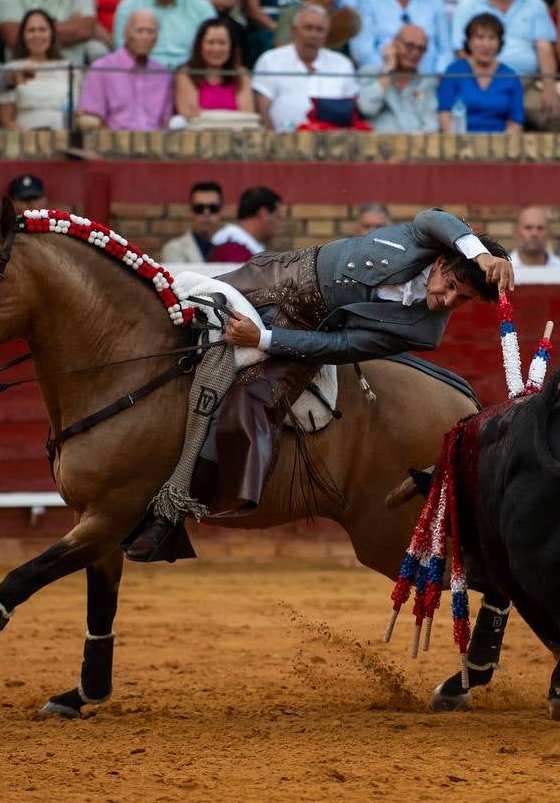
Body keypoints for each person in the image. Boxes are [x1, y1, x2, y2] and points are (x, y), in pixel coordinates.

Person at [124, 206, 515, 561]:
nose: (447, 301)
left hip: (303, 337)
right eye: (449, 286)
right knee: (173, 322)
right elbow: (438, 218)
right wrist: (481, 256)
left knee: (250, 404)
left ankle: (169, 514)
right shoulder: (420, 238)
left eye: (460, 300)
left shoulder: (424, 331)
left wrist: (261, 340)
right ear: (441, 262)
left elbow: (341, 345)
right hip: (274, 277)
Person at [451, 0, 560, 131]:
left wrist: (549, 89)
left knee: (555, 116)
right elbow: (460, 51)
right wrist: (480, 84)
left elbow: (545, 49)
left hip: (525, 83)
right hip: (481, 80)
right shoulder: (467, 5)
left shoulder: (535, 4)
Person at [252, 4, 357, 131]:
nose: (313, 34)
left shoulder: (342, 64)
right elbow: (262, 111)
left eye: (319, 30)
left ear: (326, 34)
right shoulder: (270, 60)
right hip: (281, 142)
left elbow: (350, 111)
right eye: (308, 28)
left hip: (331, 144)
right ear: (293, 30)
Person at [79, 9, 174, 129]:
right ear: (125, 33)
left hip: (155, 143)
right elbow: (92, 116)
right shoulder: (101, 69)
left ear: (157, 38)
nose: (145, 37)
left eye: (151, 32)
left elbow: (165, 122)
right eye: (139, 31)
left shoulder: (163, 75)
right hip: (113, 143)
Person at [438, 12, 523, 134]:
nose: (486, 44)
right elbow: (445, 114)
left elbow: (516, 122)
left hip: (499, 145)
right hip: (460, 143)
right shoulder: (453, 71)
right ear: (469, 41)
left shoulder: (510, 76)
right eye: (480, 37)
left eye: (492, 38)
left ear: (500, 43)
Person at [0, 7, 80, 130]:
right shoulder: (11, 69)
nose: (37, 35)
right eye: (31, 30)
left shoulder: (68, 68)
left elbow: (78, 112)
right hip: (24, 139)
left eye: (42, 30)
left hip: (64, 138)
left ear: (51, 34)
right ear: (23, 36)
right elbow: (5, 119)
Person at [356, 23, 438, 133]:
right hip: (376, 146)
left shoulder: (427, 83)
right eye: (410, 46)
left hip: (416, 146)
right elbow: (367, 108)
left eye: (421, 48)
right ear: (394, 44)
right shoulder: (369, 73)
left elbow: (432, 124)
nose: (415, 52)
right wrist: (388, 70)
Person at [175, 16, 256, 119]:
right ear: (200, 45)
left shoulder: (241, 75)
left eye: (222, 43)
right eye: (210, 42)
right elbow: (190, 115)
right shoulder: (186, 74)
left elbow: (247, 116)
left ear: (231, 47)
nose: (216, 49)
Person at [208, 184, 281, 263]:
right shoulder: (233, 252)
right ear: (263, 214)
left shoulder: (235, 245)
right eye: (277, 216)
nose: (278, 223)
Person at [160, 180, 223, 263]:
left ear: (221, 210)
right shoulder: (174, 249)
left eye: (213, 208)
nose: (206, 213)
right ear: (190, 211)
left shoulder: (233, 248)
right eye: (199, 208)